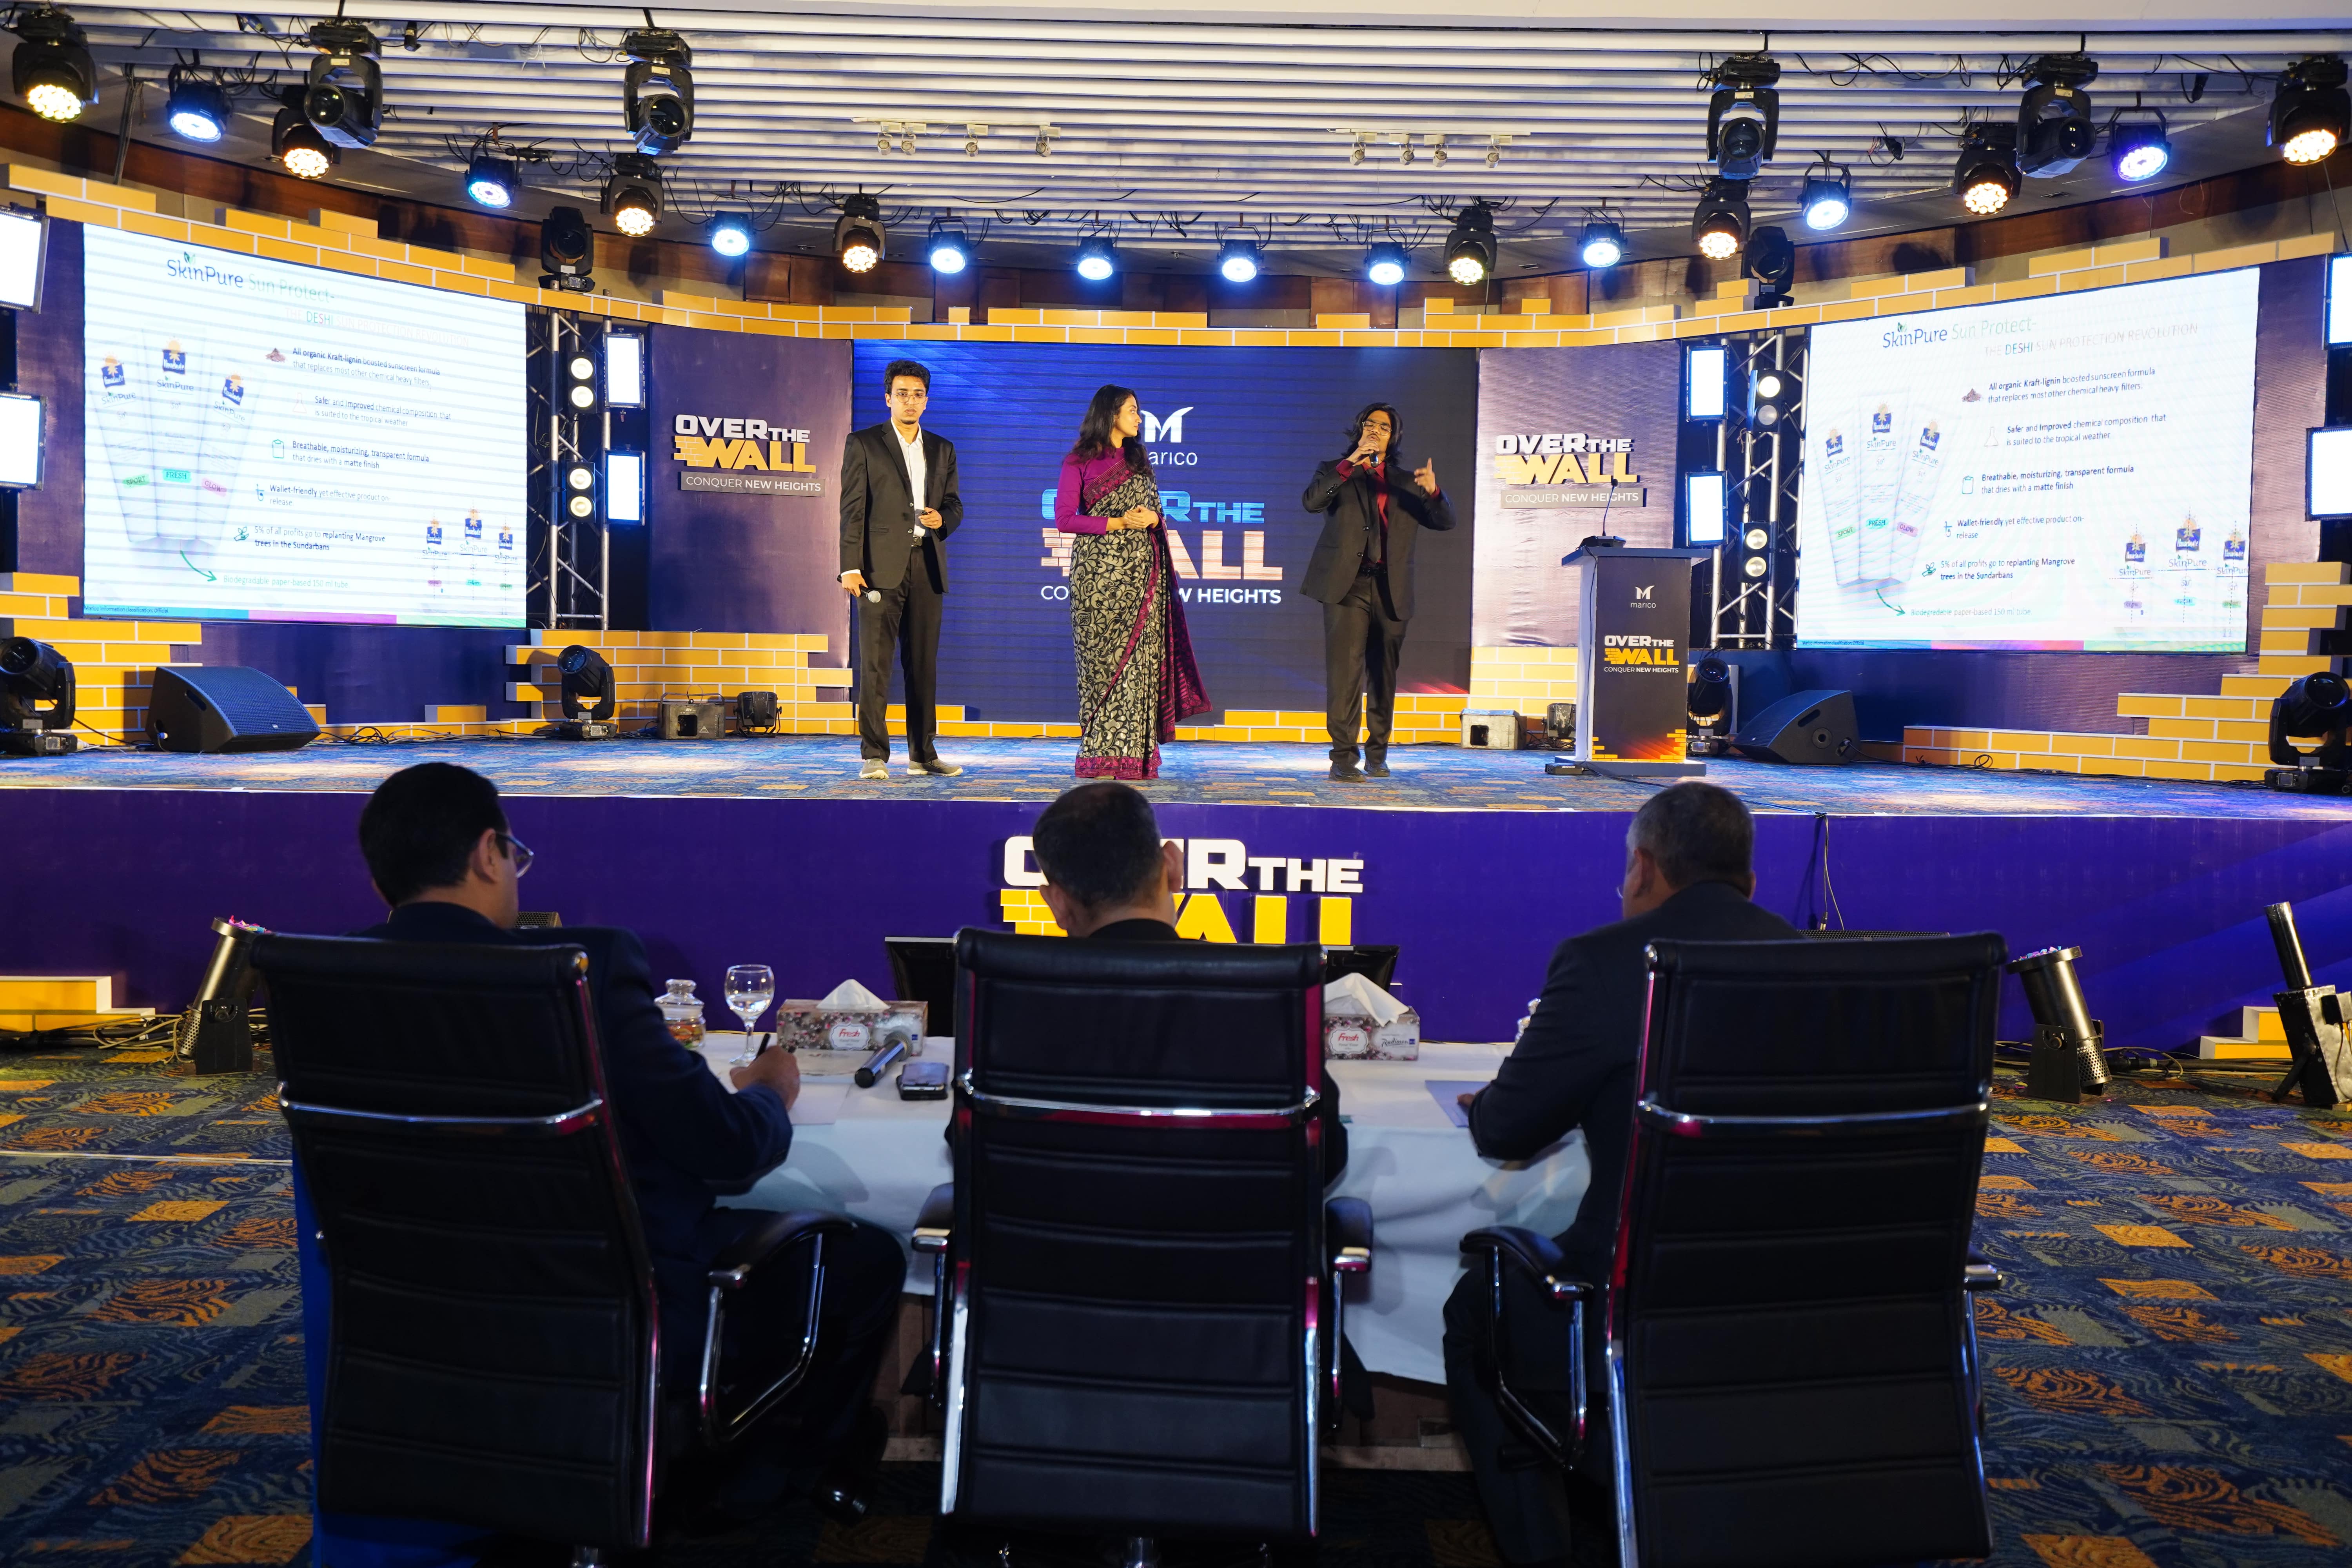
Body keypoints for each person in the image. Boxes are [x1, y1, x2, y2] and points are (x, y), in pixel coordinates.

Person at [351, 762, 905, 1525]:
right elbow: (727, 1148)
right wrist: (769, 1089)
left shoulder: (334, 976)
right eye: (513, 854)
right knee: (866, 1257)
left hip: (420, 1314)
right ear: (487, 853)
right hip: (614, 1310)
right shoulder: (582, 971)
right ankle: (749, 1486)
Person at [1442, 782, 1797, 1566]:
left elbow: (1505, 1127)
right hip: (1800, 1298)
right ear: (1749, 882)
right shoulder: (1824, 970)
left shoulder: (1605, 962)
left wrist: (1508, 1097)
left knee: (1479, 1312)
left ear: (1641, 867)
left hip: (1631, 1303)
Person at [1031, 780, 1345, 1180]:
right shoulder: (1264, 998)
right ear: (1174, 866)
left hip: (1053, 1220)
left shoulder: (1014, 1005)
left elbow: (979, 1151)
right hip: (1233, 1219)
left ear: (1057, 903)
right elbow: (1326, 1154)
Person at [1054, 385, 1210, 780]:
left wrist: (1153, 519)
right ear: (1110, 414)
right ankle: (1099, 755)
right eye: (1132, 410)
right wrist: (1119, 522)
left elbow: (1157, 512)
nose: (1139, 418)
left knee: (1140, 667)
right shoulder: (1079, 461)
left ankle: (1135, 758)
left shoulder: (1139, 459)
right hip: (1097, 580)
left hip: (1143, 578)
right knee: (1101, 669)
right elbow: (1065, 519)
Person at [1301, 403, 1456, 782]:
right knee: (1345, 675)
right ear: (1359, 430)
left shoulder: (1407, 481)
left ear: (1393, 437)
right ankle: (1343, 758)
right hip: (1347, 586)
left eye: (1383, 427)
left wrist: (1435, 492)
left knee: (1384, 676)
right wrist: (1350, 463)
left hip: (1391, 587)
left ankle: (1378, 755)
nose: (1375, 430)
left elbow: (1445, 521)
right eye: (1369, 424)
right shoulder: (1335, 470)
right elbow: (1312, 502)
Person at [839, 358, 964, 781]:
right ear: (888, 398)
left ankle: (923, 754)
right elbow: (852, 510)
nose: (910, 401)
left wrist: (943, 520)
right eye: (902, 394)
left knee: (923, 665)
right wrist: (850, 566)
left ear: (927, 401)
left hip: (927, 564)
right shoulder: (863, 443)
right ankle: (874, 754)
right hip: (878, 568)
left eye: (918, 395)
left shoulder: (943, 448)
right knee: (876, 665)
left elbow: (955, 504)